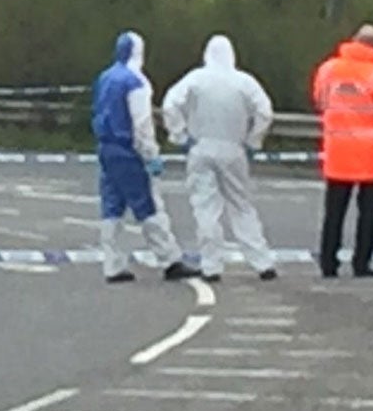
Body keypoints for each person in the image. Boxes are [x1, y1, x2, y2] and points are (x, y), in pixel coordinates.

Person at [162, 35, 279, 283]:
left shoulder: (196, 79)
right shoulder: (244, 82)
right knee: (241, 205)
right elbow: (265, 111)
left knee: (205, 208)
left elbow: (170, 104)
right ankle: (262, 262)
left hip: (201, 148)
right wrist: (253, 140)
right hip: (233, 149)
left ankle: (211, 266)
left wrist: (181, 136)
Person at [90, 31, 199, 284]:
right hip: (129, 151)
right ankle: (170, 259)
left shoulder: (105, 77)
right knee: (148, 205)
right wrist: (150, 154)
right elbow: (141, 123)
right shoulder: (136, 82)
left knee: (111, 208)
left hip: (106, 148)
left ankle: (113, 265)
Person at [312, 24, 373, 279]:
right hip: (371, 153)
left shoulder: (328, 69)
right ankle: (361, 263)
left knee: (334, 211)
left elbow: (320, 100)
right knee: (369, 213)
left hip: (338, 150)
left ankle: (328, 263)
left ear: (353, 40)